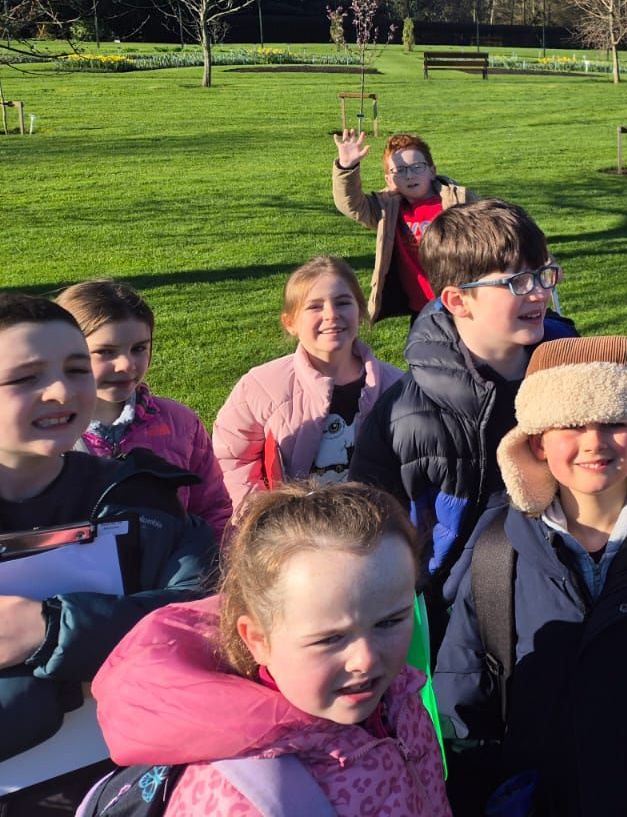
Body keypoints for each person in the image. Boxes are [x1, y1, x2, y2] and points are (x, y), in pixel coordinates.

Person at [433, 337, 627, 817]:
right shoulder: (497, 554)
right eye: (572, 425)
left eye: (615, 422)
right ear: (536, 442)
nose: (595, 442)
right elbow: (463, 701)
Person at [92, 482, 448, 817]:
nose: (365, 660)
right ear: (257, 640)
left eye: (389, 622)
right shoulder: (236, 799)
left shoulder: (399, 698)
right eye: (330, 639)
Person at [0, 294, 215, 792]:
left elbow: (204, 617)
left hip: (130, 785)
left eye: (76, 369)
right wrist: (59, 688)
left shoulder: (143, 499)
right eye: (26, 377)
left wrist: (48, 630)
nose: (61, 391)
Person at [350, 199, 576, 614]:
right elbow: (368, 536)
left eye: (543, 274)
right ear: (457, 301)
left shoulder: (575, 375)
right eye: (517, 282)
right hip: (453, 607)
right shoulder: (404, 417)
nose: (540, 292)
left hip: (571, 589)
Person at [212, 257, 402, 509]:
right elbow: (232, 457)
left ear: (360, 311)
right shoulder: (262, 385)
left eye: (343, 302)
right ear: (290, 323)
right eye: (314, 306)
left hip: (375, 525)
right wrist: (260, 514)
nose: (331, 315)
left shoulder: (396, 386)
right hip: (292, 527)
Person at [56, 278, 230, 539]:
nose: (126, 365)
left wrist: (211, 559)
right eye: (105, 352)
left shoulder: (179, 423)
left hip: (172, 564)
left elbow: (213, 508)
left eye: (138, 348)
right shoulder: (43, 433)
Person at [330, 129, 478, 322]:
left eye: (417, 167)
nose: (409, 175)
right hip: (422, 308)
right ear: (389, 179)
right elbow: (352, 204)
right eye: (399, 170)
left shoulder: (458, 201)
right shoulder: (388, 210)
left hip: (464, 303)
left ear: (432, 171)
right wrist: (347, 167)